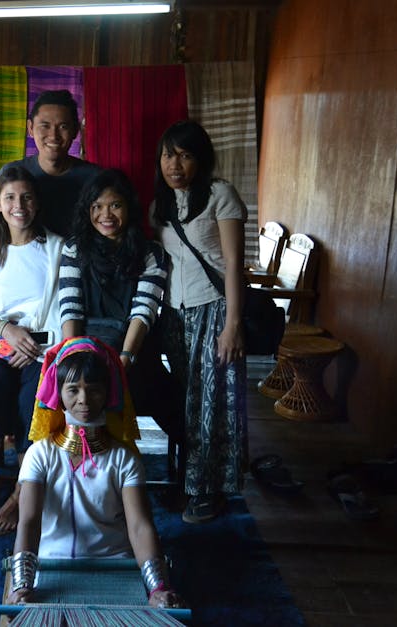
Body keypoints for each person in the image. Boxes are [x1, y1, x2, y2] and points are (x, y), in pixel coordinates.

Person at [6, 337, 183, 610]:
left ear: (109, 394)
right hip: (51, 565)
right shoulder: (40, 455)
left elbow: (140, 526)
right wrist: (22, 585)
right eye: (73, 389)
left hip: (115, 564)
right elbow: (29, 522)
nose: (84, 400)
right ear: (58, 392)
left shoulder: (123, 459)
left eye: (94, 390)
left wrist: (158, 587)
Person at [150, 120, 248, 524]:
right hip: (174, 313)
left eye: (185, 156)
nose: (174, 165)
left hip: (215, 309)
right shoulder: (160, 204)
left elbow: (234, 265)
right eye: (168, 155)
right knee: (185, 400)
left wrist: (233, 325)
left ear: (201, 159)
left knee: (213, 402)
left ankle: (210, 489)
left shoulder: (220, 195)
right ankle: (188, 479)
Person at [0, 165, 63, 536]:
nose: (18, 205)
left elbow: (65, 306)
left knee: (34, 397)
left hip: (44, 347)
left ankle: (23, 490)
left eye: (26, 197)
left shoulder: (56, 248)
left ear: (37, 203)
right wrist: (5, 329)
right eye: (9, 198)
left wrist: (36, 344)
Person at [58, 168, 176, 433]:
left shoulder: (151, 253)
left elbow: (143, 311)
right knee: (73, 385)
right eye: (97, 206)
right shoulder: (75, 248)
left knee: (171, 405)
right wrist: (73, 357)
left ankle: (121, 454)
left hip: (133, 349)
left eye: (115, 205)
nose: (106, 215)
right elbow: (70, 308)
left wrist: (125, 359)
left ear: (129, 207)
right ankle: (76, 451)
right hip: (85, 348)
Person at [0, 89, 100, 255]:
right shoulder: (12, 174)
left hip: (79, 266)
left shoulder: (95, 178)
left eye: (63, 126)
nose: (53, 135)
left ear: (75, 130)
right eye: (45, 126)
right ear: (30, 128)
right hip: (26, 264)